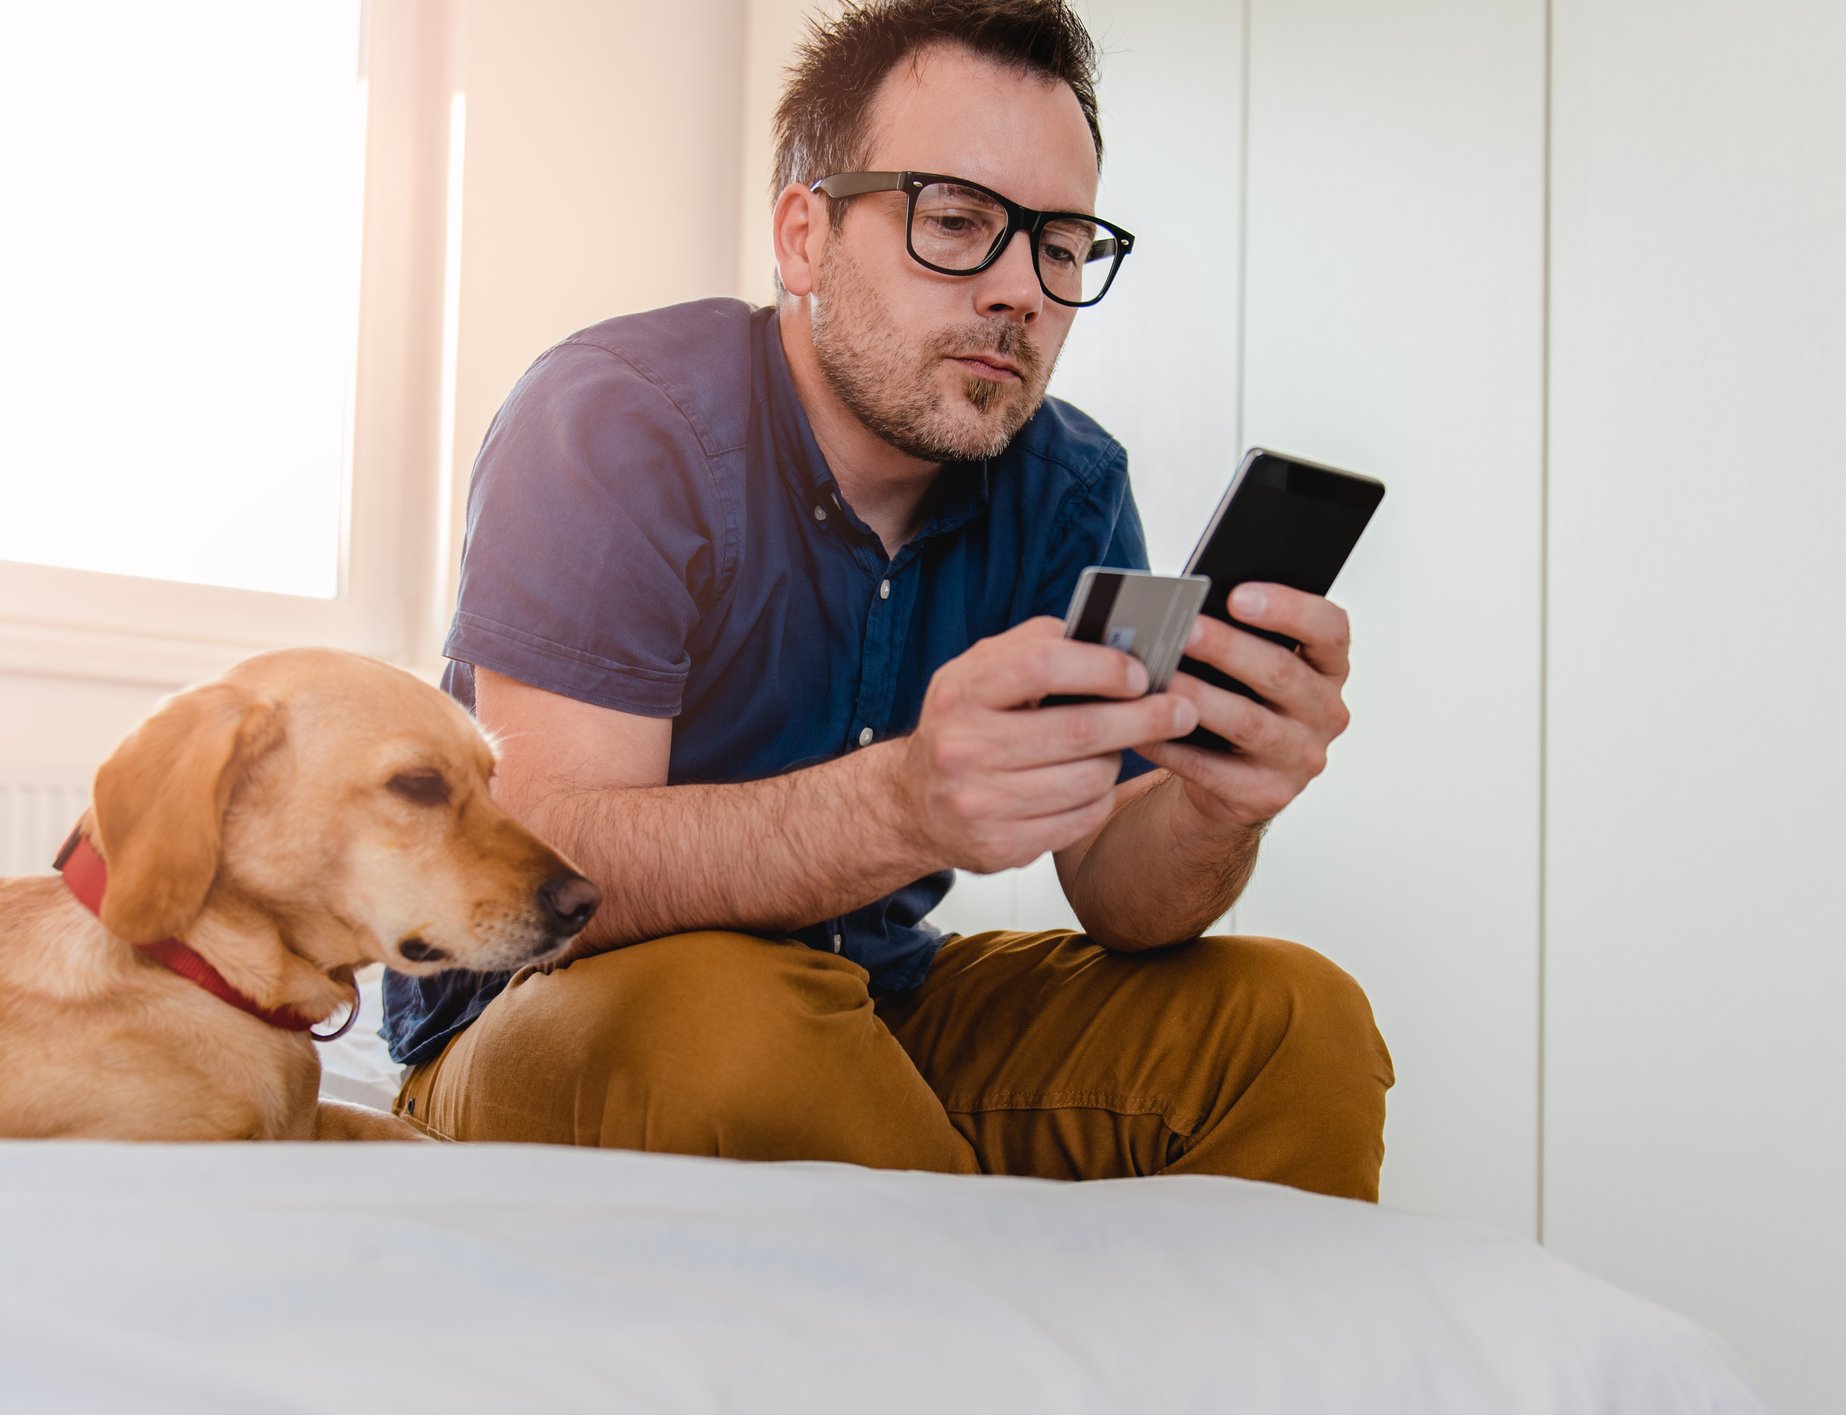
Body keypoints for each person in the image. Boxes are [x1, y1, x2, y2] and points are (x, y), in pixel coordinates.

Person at [382, 0, 1393, 1201]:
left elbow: (1123, 891)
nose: (1023, 289)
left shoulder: (1070, 486)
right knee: (727, 1018)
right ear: (803, 238)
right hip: (564, 1005)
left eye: (1061, 245)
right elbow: (549, 864)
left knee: (1295, 1019)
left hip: (876, 1005)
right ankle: (1010, 1332)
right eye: (959, 221)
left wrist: (1223, 803)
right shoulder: (616, 417)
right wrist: (905, 804)